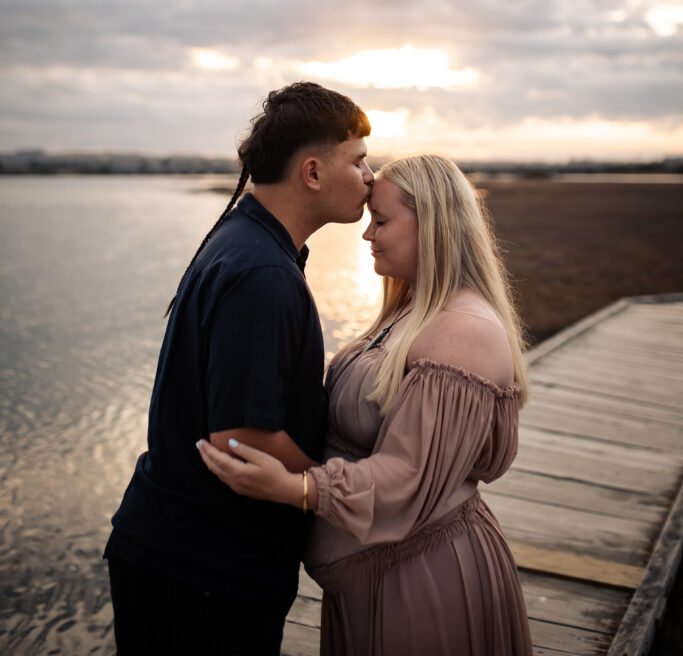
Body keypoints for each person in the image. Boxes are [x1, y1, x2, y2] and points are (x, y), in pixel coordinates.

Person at [198, 154, 533, 656]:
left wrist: (297, 489)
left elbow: (408, 474)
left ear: (435, 224)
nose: (366, 234)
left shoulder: (463, 330)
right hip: (378, 577)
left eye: (382, 220)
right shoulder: (413, 309)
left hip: (423, 582)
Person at [104, 82, 374, 655]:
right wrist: (328, 491)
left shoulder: (246, 242)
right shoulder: (263, 275)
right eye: (359, 160)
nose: (370, 176)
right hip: (202, 573)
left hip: (185, 558)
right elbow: (241, 440)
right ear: (313, 172)